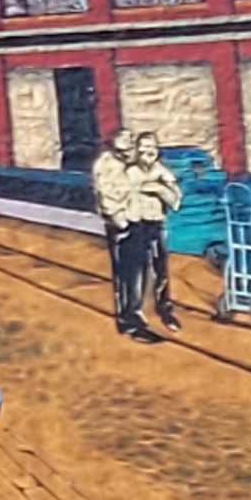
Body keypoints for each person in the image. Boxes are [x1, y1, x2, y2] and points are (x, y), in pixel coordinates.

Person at [90, 126, 182, 342]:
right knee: (129, 275)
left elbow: (174, 197)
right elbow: (106, 198)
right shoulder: (108, 165)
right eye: (127, 144)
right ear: (114, 145)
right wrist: (122, 223)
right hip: (125, 225)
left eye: (132, 143)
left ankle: (154, 311)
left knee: (151, 270)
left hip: (142, 222)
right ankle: (131, 323)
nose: (132, 148)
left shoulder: (139, 165)